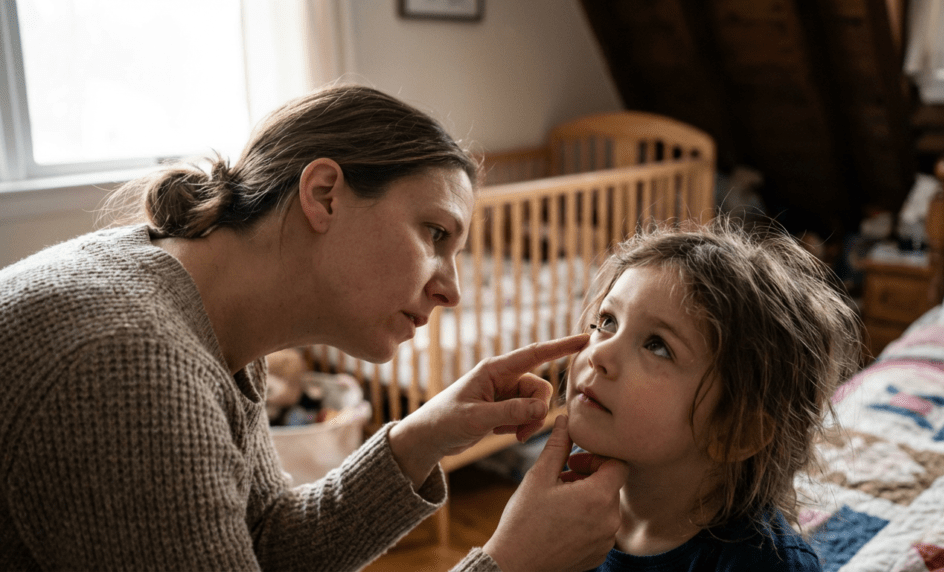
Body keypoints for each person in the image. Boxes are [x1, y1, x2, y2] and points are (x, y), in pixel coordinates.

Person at [0, 84, 628, 571]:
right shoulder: (129, 365)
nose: (452, 289)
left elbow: (266, 542)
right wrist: (512, 562)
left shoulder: (206, 308)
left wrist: (420, 437)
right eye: (436, 234)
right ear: (325, 193)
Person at [561, 221, 862, 571]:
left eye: (657, 346)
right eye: (608, 322)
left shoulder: (763, 565)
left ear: (736, 432)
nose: (599, 354)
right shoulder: (563, 491)